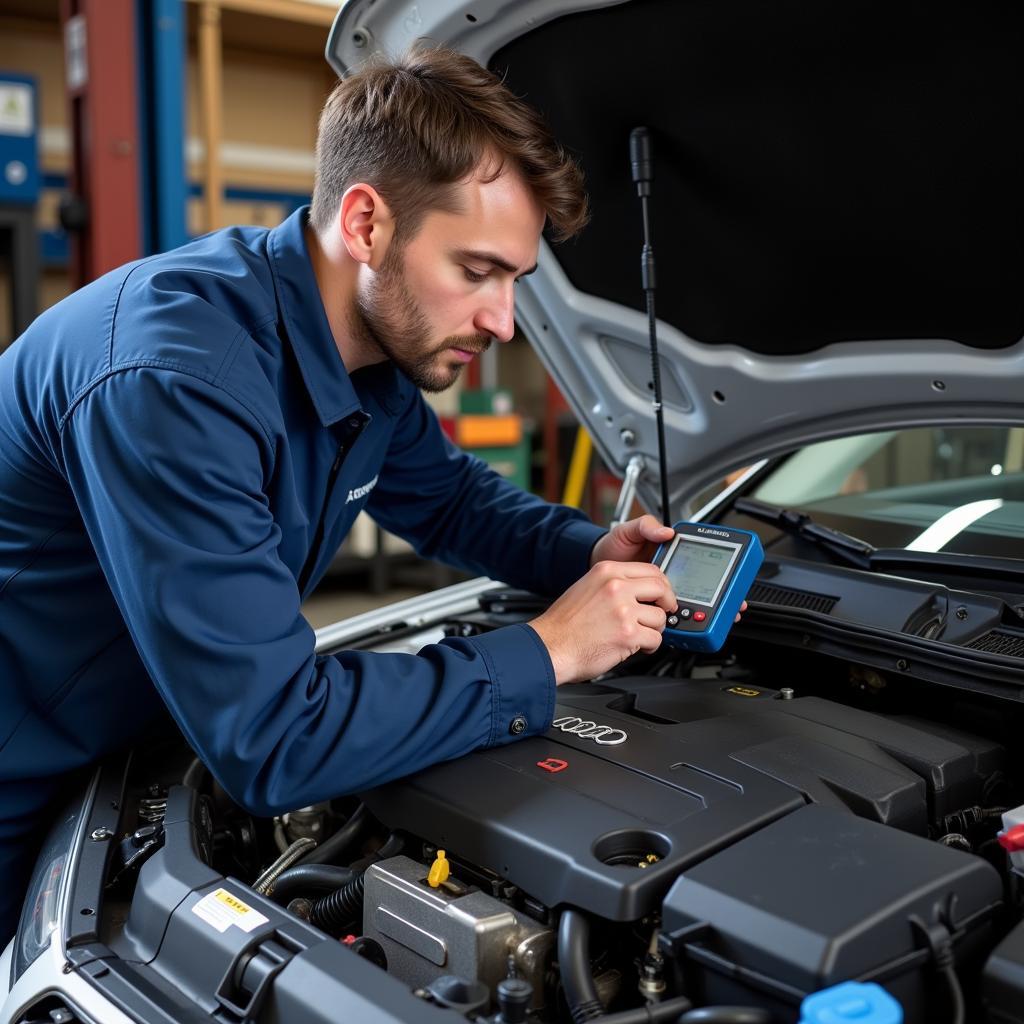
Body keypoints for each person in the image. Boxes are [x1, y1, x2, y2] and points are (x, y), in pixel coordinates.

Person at [0, 46, 719, 945]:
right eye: (477, 271)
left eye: (515, 282)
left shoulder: (368, 356)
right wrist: (545, 651)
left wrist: (586, 555)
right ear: (367, 222)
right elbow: (273, 736)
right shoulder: (176, 379)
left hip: (118, 754)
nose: (502, 322)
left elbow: (451, 501)